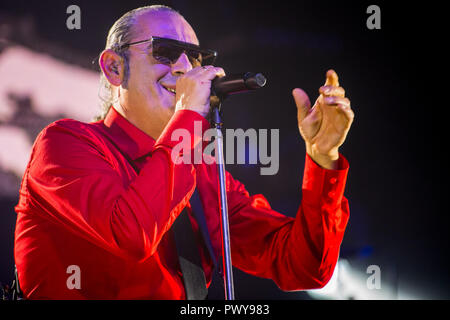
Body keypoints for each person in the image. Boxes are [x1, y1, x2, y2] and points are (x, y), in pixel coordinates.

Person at [13, 5, 354, 299]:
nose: (183, 67)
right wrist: (189, 115)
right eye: (163, 51)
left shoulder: (199, 168)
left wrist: (323, 159)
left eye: (194, 57)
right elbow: (131, 234)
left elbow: (303, 267)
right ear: (114, 68)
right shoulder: (63, 144)